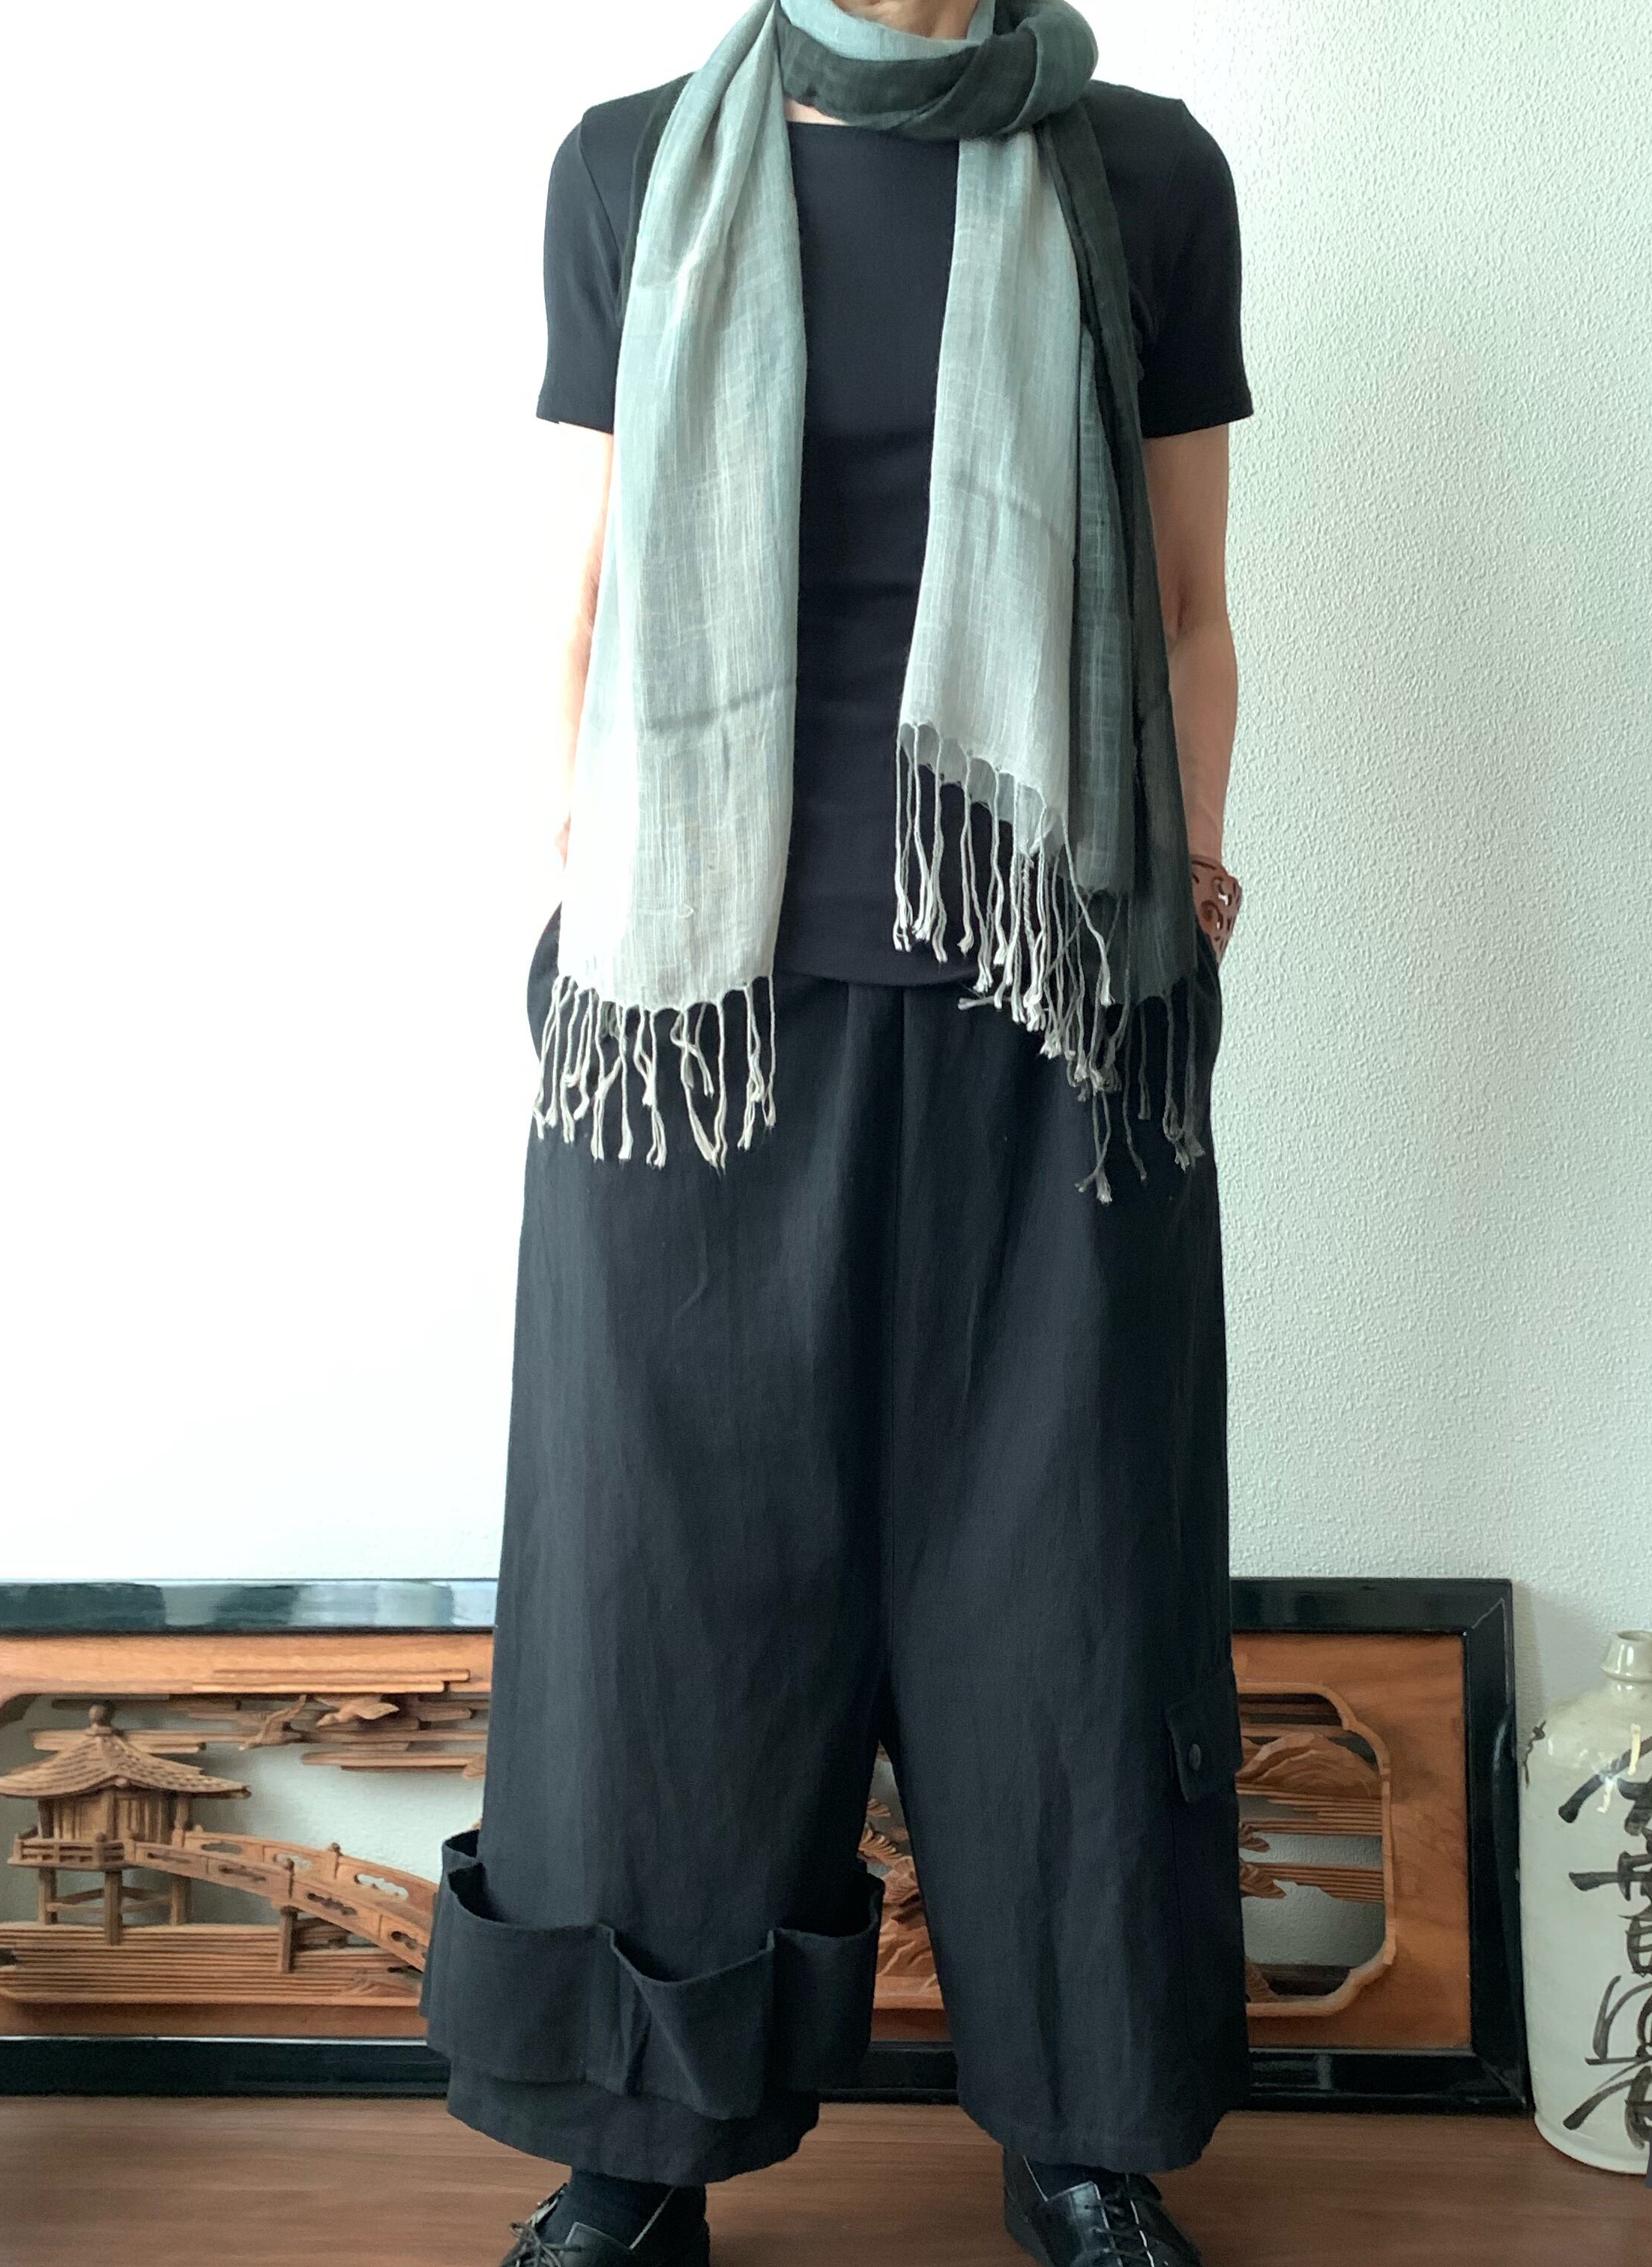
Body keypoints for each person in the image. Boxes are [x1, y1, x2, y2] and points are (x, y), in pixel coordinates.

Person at [419, 1, 1255, 2260]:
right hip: (697, 1020)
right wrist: (594, 891)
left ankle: (1080, 2134)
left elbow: (1189, 602)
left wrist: (1187, 870)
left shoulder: (1143, 176)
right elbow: (597, 595)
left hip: (1051, 1009)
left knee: (1065, 1577)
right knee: (663, 1592)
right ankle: (638, 2142)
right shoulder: (631, 172)